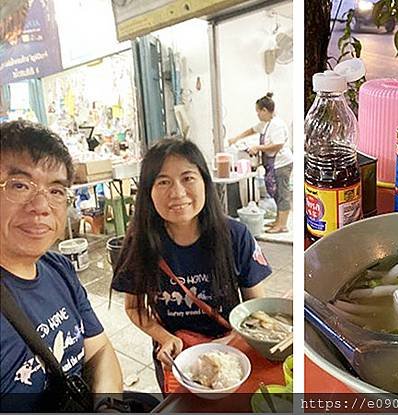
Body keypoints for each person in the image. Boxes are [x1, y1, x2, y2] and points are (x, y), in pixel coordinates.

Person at [111, 138, 271, 391]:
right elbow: (133, 307)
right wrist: (164, 338)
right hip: (178, 359)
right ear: (148, 192)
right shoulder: (139, 244)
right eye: (163, 182)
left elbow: (256, 308)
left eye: (188, 178)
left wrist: (243, 339)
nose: (177, 192)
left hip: (231, 351)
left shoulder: (236, 236)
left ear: (205, 182)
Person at [0, 120, 123, 411]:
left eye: (56, 191)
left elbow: (100, 351)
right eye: (19, 185)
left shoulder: (58, 268)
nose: (41, 206)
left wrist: (107, 406)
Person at [228, 93, 293, 233]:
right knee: (274, 192)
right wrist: (236, 138)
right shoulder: (266, 124)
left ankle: (282, 225)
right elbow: (252, 130)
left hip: (281, 164)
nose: (257, 114)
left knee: (282, 193)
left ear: (264, 110)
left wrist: (257, 148)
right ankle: (278, 221)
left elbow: (278, 145)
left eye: (258, 111)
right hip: (272, 164)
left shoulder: (277, 124)